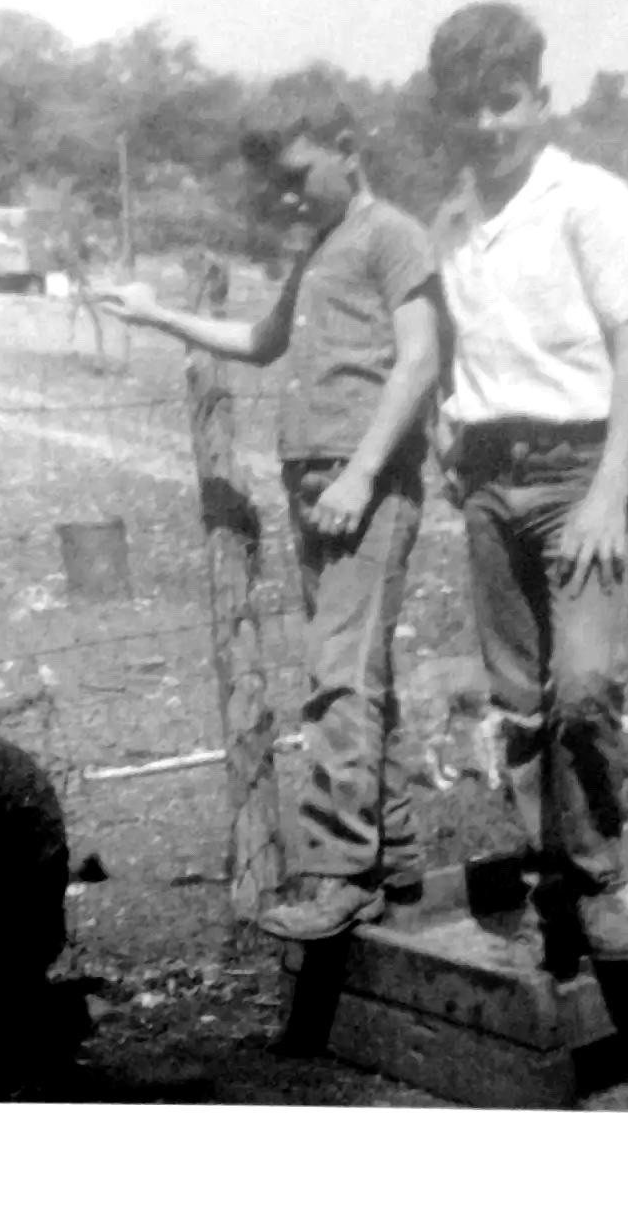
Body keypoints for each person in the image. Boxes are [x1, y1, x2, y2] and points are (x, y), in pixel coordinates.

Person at [100, 104, 441, 941]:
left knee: (338, 674)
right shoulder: (321, 247)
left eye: (298, 176)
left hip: (365, 480)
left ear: (348, 151)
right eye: (276, 186)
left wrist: (361, 473)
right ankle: (395, 864)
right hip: (318, 479)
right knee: (357, 672)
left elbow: (421, 359)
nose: (289, 197)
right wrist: (154, 314)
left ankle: (342, 872)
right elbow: (260, 340)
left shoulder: (393, 235)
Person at [423, 1, 628, 974]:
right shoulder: (452, 222)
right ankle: (548, 885)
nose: (488, 124)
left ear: (540, 97)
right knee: (520, 704)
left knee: (581, 688)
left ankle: (600, 884)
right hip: (490, 481)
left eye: (505, 102)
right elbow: (454, 340)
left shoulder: (588, 199)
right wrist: (449, 428)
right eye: (468, 107)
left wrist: (610, 490)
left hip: (578, 475)